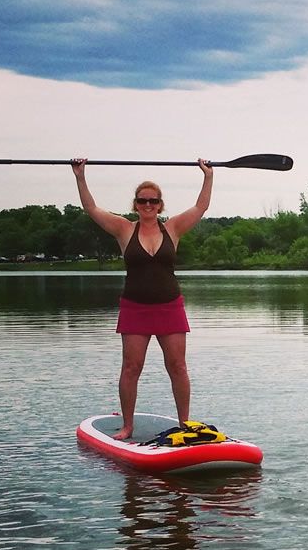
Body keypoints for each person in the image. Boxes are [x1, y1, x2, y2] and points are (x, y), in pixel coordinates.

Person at [72, 158, 214, 440]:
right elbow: (91, 208)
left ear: (160, 204)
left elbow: (201, 207)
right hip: (135, 307)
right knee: (131, 367)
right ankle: (127, 426)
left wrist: (208, 176)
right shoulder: (124, 229)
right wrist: (80, 176)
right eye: (142, 201)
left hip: (169, 306)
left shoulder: (172, 228)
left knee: (177, 366)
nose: (147, 205)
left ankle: (185, 423)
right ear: (135, 204)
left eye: (153, 201)